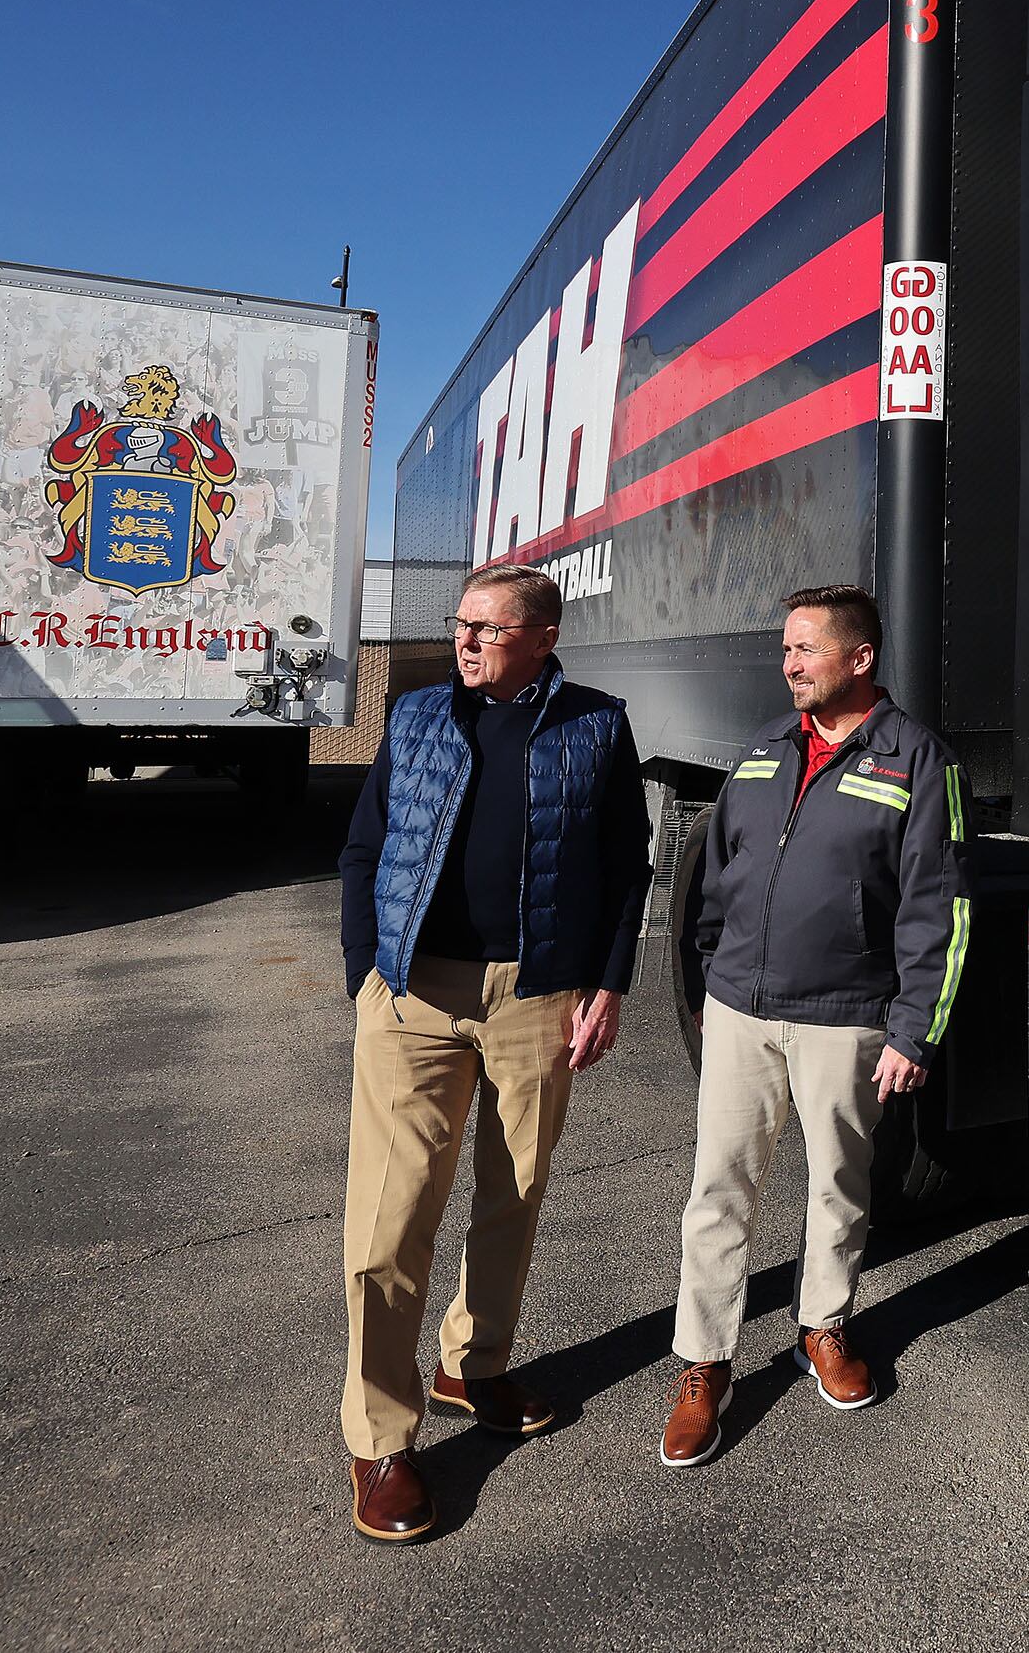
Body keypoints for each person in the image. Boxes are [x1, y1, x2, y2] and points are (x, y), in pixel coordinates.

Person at [333, 561, 652, 1541]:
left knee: (513, 1197)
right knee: (389, 1220)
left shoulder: (596, 726)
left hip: (536, 995)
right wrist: (365, 974)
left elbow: (624, 866)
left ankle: (471, 1366)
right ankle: (381, 1439)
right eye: (460, 624)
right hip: (413, 995)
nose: (465, 641)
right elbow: (365, 846)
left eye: (488, 628)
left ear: (543, 638)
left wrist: (607, 986)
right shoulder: (419, 715)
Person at [658, 585, 969, 1466]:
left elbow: (940, 905)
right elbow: (715, 879)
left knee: (839, 1184)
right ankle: (705, 1363)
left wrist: (914, 1029)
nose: (789, 665)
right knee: (718, 1188)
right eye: (787, 649)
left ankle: (822, 1326)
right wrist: (705, 982)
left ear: (859, 658)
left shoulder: (919, 761)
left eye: (807, 649)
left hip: (845, 1018)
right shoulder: (764, 751)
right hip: (740, 1011)